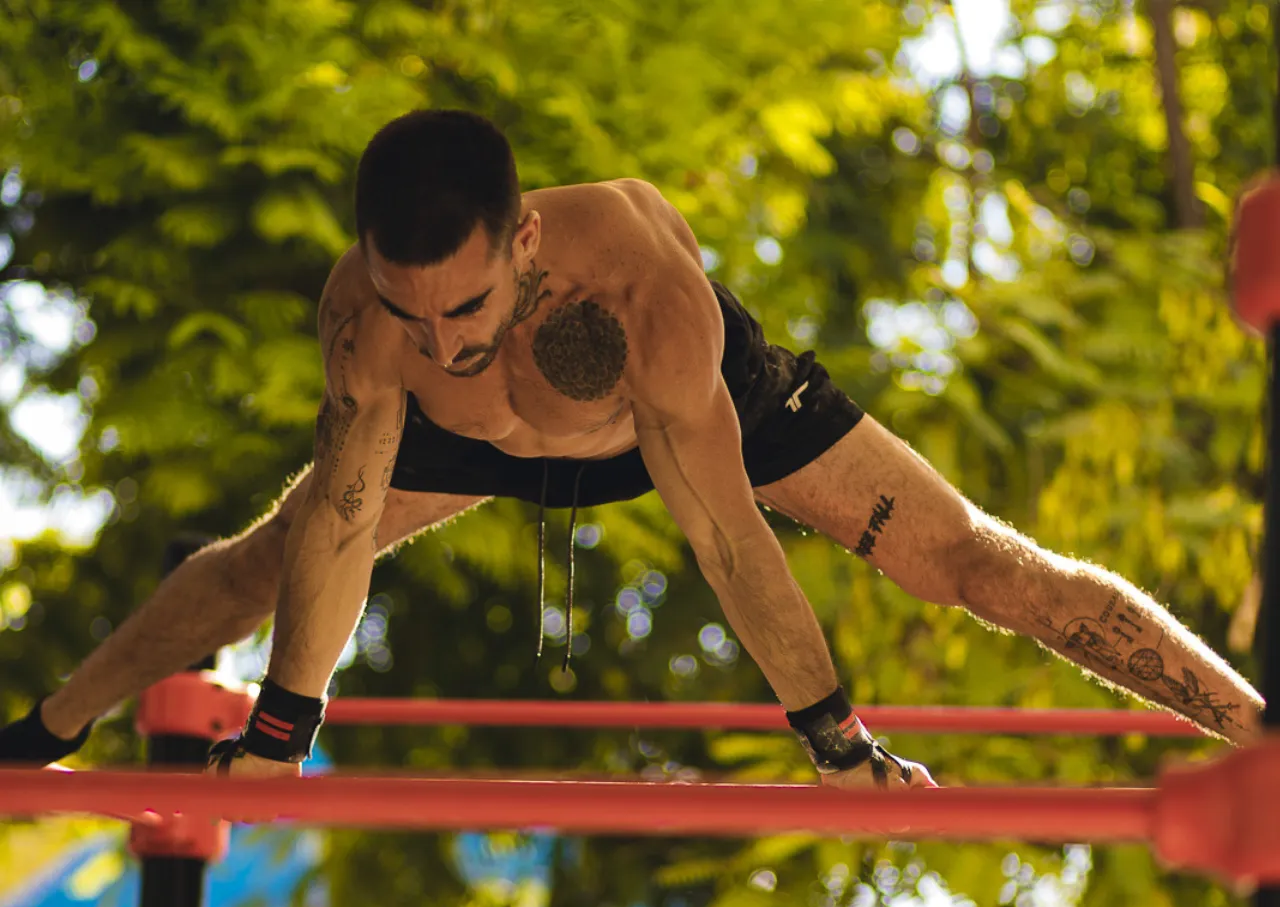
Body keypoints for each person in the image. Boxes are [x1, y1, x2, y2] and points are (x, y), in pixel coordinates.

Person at [0, 110, 1264, 790]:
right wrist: (279, 733)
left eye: (467, 310)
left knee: (976, 569)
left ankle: (1258, 739)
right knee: (254, 564)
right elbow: (338, 525)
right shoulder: (366, 328)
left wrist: (833, 738)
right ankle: (43, 729)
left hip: (708, 419)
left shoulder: (642, 296)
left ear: (529, 246)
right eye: (409, 310)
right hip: (470, 454)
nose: (437, 343)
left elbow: (722, 535)